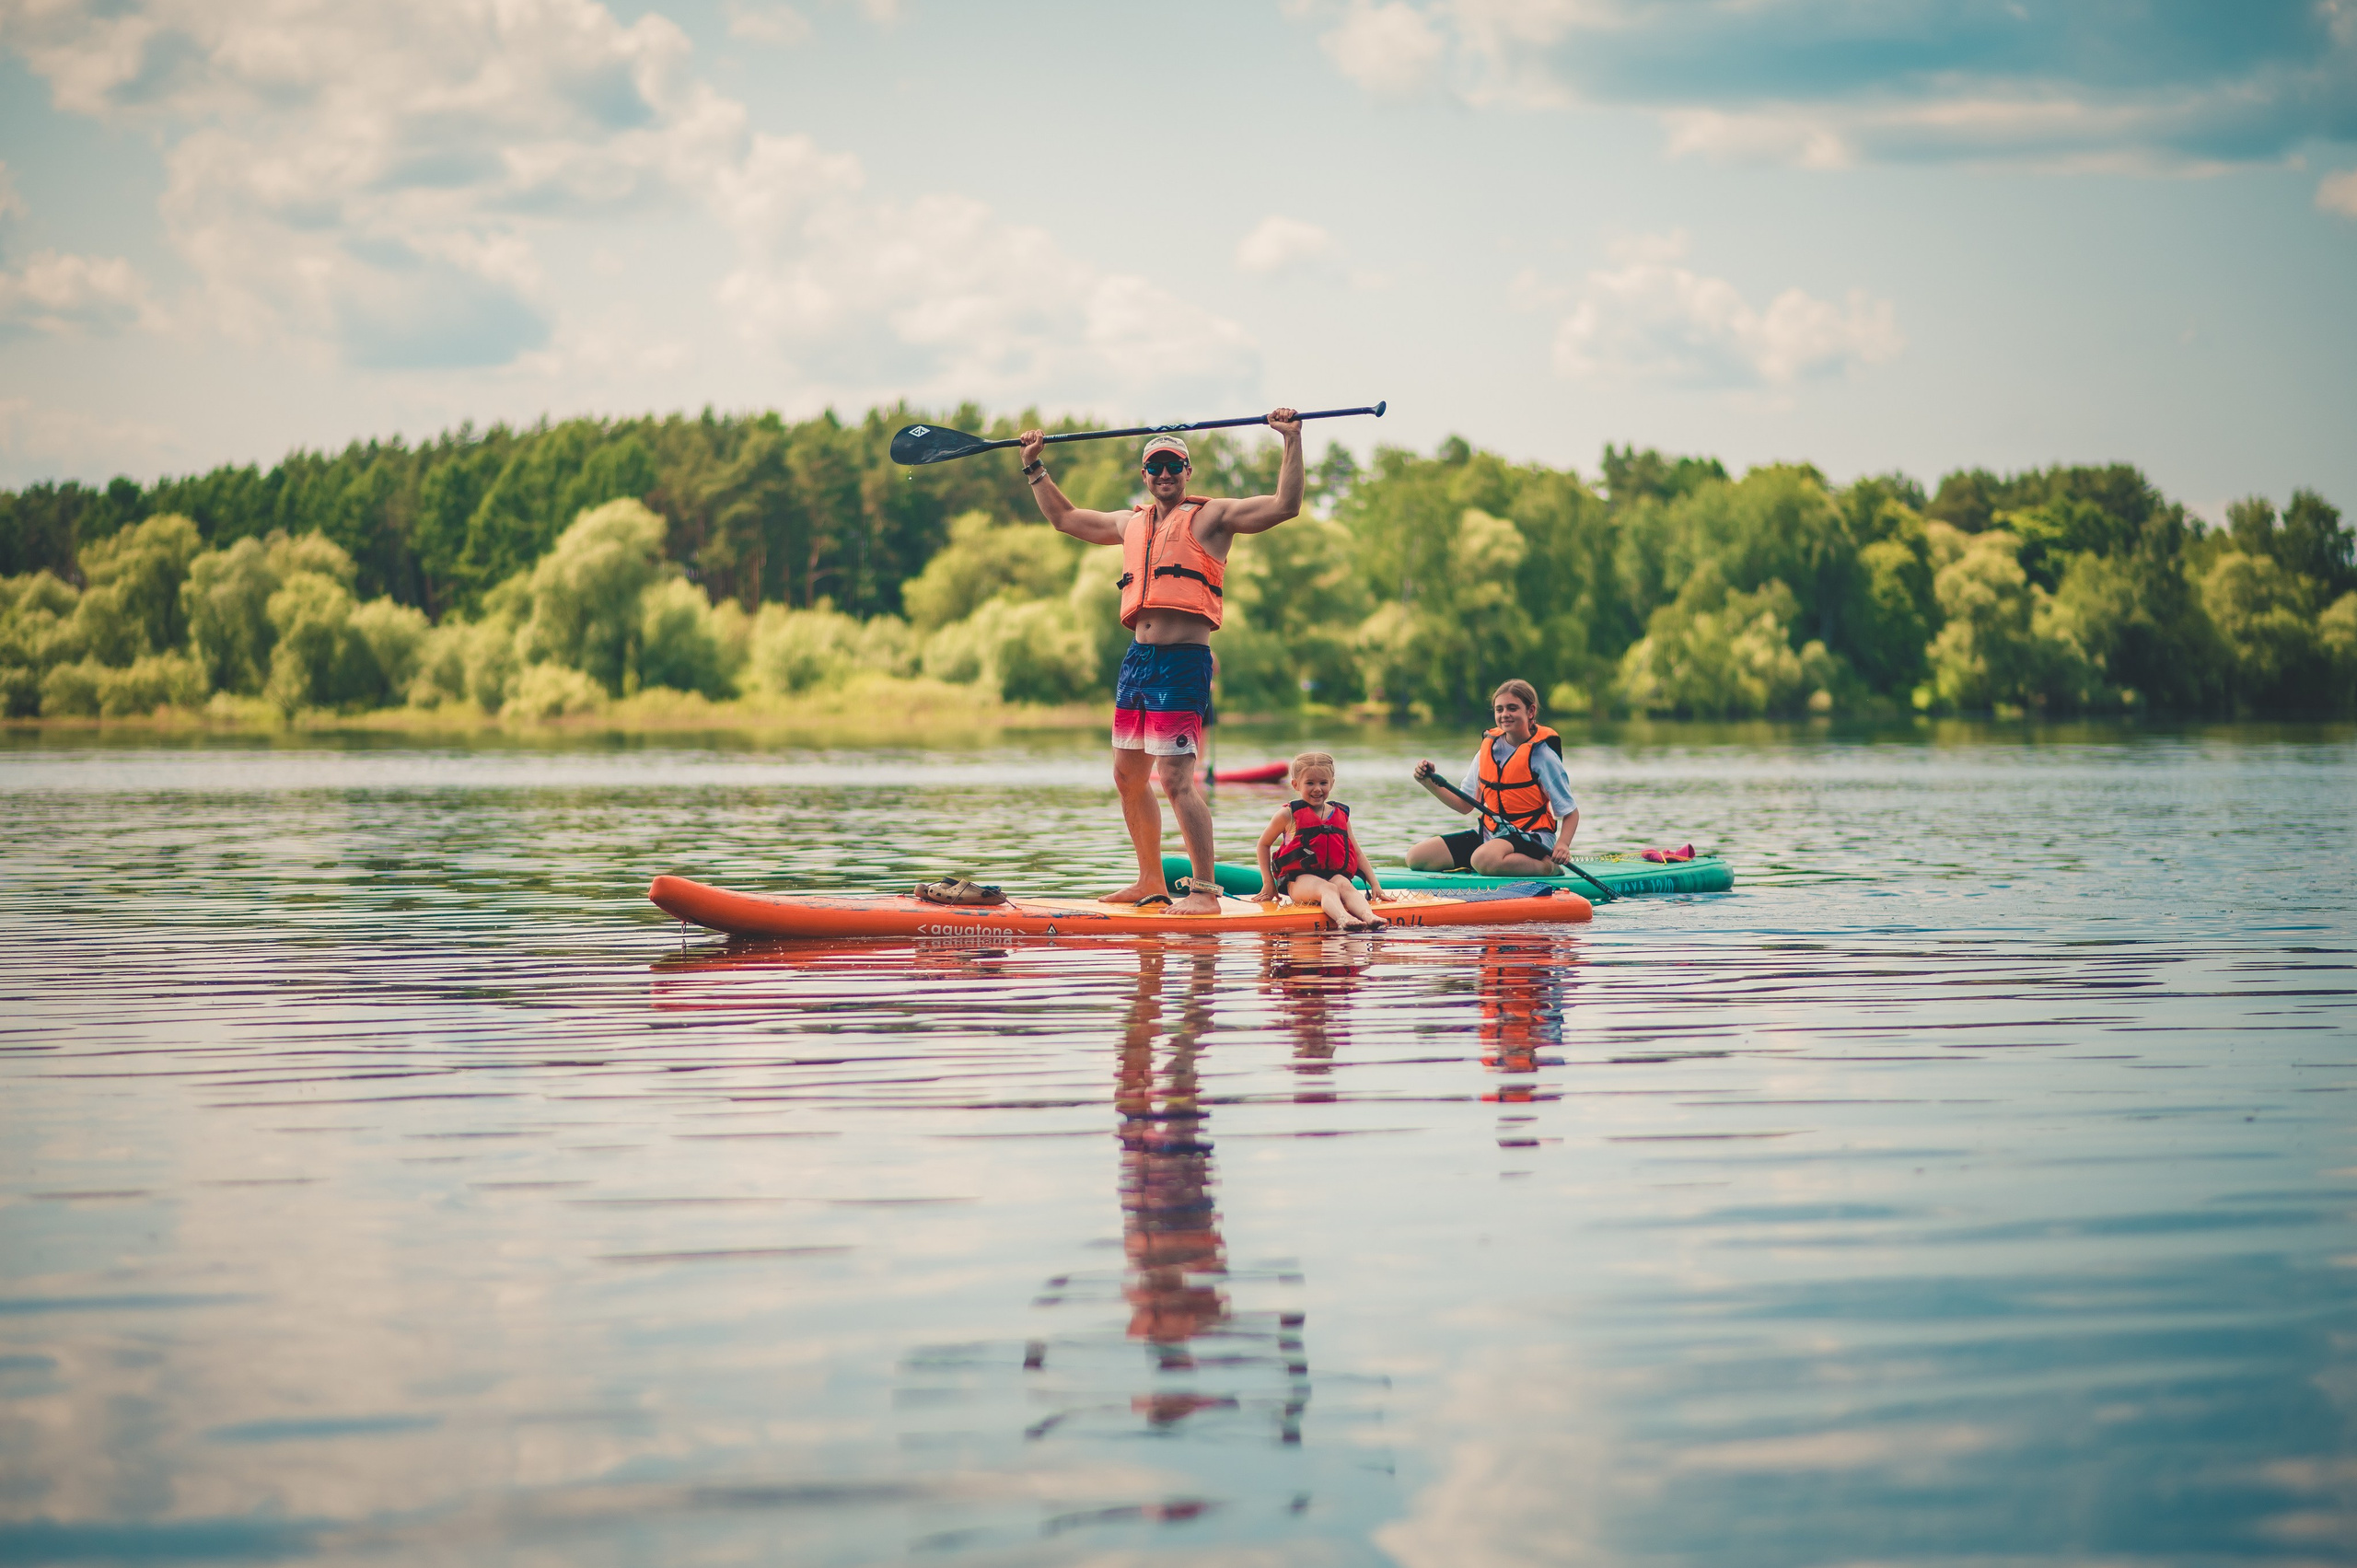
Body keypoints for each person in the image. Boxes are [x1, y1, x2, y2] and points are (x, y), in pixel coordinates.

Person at [1017, 409, 1306, 915]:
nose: (1165, 475)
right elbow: (1065, 519)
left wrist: (1291, 439)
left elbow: (1286, 506)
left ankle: (1203, 893)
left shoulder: (1213, 517)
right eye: (1156, 467)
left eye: (1175, 466)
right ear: (1144, 475)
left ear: (1188, 471)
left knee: (1175, 780)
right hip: (1138, 662)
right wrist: (1034, 467)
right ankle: (1150, 881)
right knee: (1128, 777)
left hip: (1182, 662)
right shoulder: (1130, 522)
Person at [1406, 679, 1579, 877]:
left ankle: (1547, 868)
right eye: (1499, 709)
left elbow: (1571, 813)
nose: (1505, 714)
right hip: (1491, 835)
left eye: (1512, 708)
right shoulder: (1486, 750)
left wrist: (1563, 844)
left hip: (1532, 837)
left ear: (1530, 712)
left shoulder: (1543, 756)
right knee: (1417, 857)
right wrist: (1428, 783)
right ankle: (1492, 864)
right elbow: (1465, 805)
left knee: (1482, 859)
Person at [1253, 751, 1394, 930]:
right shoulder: (1287, 815)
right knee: (1328, 888)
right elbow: (1263, 844)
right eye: (1310, 783)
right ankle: (1343, 918)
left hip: (1333, 876)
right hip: (1299, 881)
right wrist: (1268, 884)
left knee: (1344, 884)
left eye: (1323, 783)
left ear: (1332, 783)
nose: (1317, 789)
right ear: (1296, 785)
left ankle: (1369, 916)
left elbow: (1356, 852)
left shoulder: (1340, 814)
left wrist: (1375, 884)